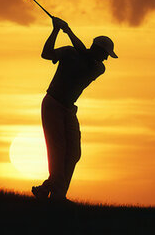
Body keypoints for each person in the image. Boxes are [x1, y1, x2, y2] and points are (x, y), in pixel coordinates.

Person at [31, 16, 117, 200]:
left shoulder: (97, 68)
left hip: (68, 109)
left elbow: (85, 54)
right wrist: (55, 30)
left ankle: (48, 189)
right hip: (53, 104)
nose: (106, 59)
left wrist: (67, 30)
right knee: (58, 150)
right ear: (99, 50)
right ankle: (58, 196)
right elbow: (46, 54)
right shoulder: (70, 52)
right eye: (105, 54)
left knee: (74, 153)